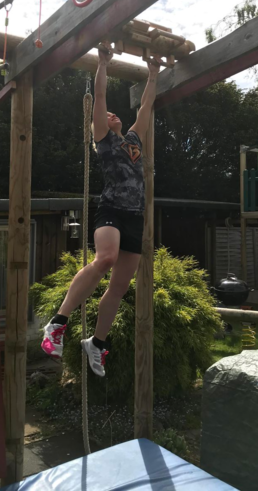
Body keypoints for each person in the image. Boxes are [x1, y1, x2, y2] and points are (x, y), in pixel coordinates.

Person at [42, 46, 160, 376]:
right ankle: (58, 322)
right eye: (106, 116)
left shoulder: (134, 140)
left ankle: (97, 343)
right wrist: (103, 64)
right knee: (106, 258)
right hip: (111, 209)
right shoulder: (104, 139)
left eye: (113, 115)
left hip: (135, 216)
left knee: (120, 286)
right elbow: (101, 95)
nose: (112, 115)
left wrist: (153, 73)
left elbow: (146, 106)